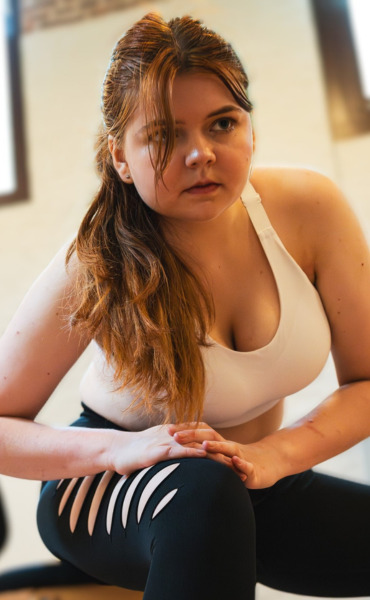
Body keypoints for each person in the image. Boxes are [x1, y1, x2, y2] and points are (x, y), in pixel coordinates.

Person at [0, 11, 370, 600]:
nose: (200, 154)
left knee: (219, 492)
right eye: (166, 135)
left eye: (222, 123)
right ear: (121, 156)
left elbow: (367, 381)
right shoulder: (94, 261)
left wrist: (274, 456)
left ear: (250, 128)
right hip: (105, 482)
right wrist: (124, 449)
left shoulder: (311, 211)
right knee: (203, 494)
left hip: (253, 477)